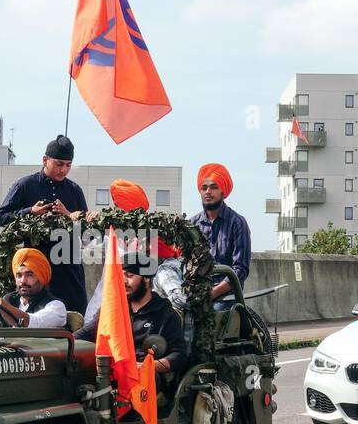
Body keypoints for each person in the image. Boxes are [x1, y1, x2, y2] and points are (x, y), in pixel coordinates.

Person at [0, 134, 88, 314]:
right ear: (45, 160)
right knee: (37, 319)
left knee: (75, 318)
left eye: (68, 165)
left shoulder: (75, 190)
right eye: (59, 164)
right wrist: (30, 211)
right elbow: (1, 217)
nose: (64, 170)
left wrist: (68, 215)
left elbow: (87, 231)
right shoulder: (25, 185)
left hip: (69, 269)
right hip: (36, 269)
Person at [83, 179, 186, 327]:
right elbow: (86, 242)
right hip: (103, 302)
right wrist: (90, 221)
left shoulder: (149, 239)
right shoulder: (109, 234)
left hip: (135, 312)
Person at [76, 251, 187, 380]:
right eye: (121, 275)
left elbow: (179, 355)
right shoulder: (112, 309)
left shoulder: (165, 314)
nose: (123, 281)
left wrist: (146, 366)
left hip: (144, 380)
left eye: (129, 275)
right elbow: (84, 333)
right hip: (111, 372)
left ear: (146, 278)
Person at [0, 248, 67, 329]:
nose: (23, 281)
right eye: (19, 275)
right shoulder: (9, 299)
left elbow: (28, 322)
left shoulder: (56, 307)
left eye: (29, 275)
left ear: (42, 277)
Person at [189, 163, 250, 308]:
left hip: (227, 295)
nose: (208, 192)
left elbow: (241, 270)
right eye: (204, 188)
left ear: (223, 191)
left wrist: (212, 293)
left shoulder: (238, 223)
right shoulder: (193, 223)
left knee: (214, 316)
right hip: (198, 292)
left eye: (213, 187)